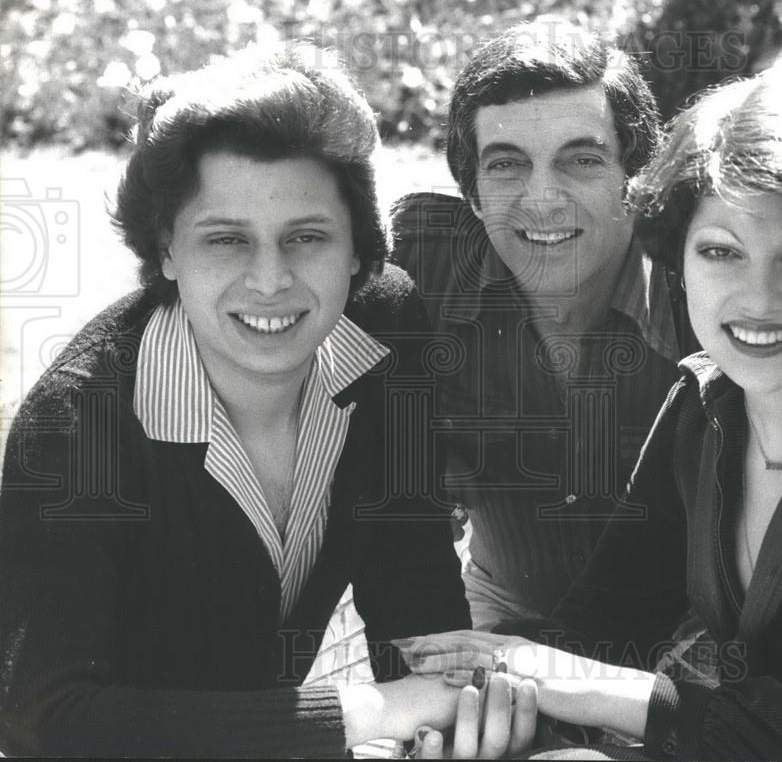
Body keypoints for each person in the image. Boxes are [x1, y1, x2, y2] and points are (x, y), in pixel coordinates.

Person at [396, 60, 782, 761]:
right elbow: (602, 625)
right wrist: (465, 691)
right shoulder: (701, 401)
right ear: (679, 260)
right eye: (721, 252)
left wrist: (601, 690)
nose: (757, 297)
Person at [0, 42, 539, 758]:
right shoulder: (75, 426)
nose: (269, 280)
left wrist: (441, 724)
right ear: (164, 249)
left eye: (306, 237)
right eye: (225, 239)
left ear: (357, 248)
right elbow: (44, 714)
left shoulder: (387, 327)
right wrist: (368, 713)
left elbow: (408, 573)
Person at [391, 19, 688, 630]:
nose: (543, 199)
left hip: (691, 630)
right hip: (502, 608)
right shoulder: (424, 268)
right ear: (471, 193)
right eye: (506, 165)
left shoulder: (704, 270)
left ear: (635, 179)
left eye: (581, 160)